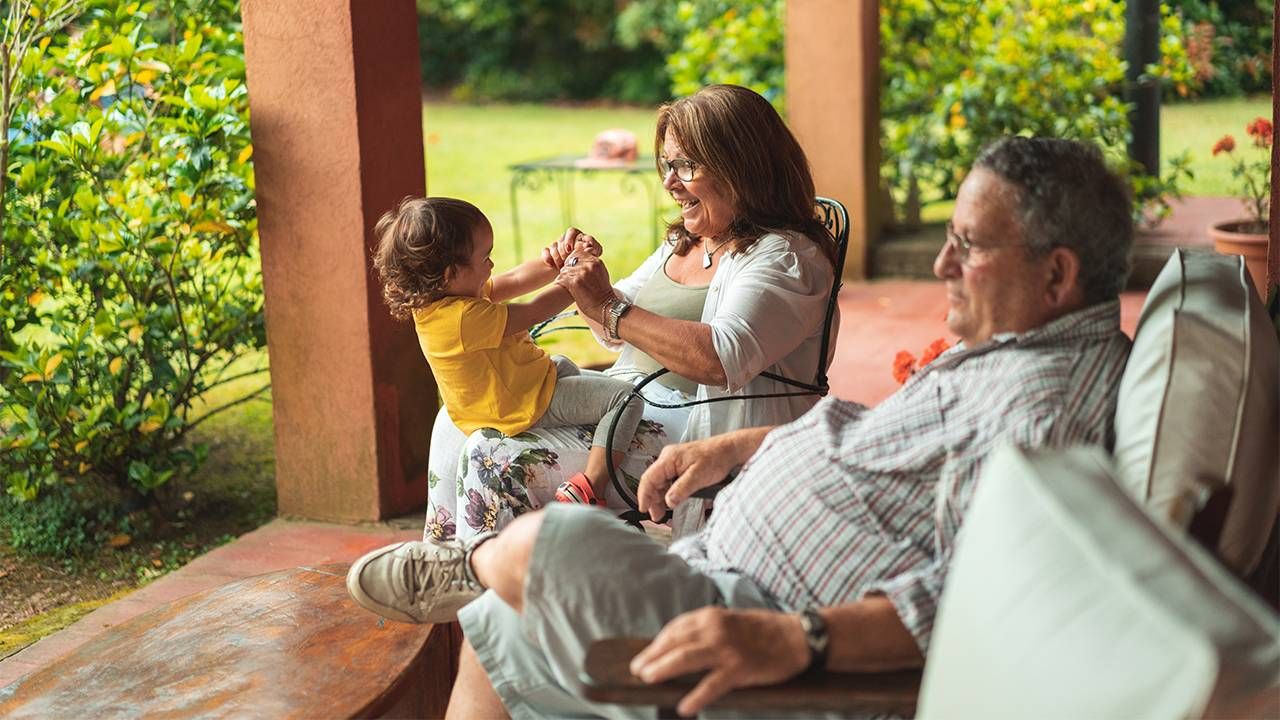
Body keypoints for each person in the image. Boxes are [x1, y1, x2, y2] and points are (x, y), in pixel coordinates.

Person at [348, 135, 1135, 718]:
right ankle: (481, 573)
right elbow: (873, 434)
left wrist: (801, 642)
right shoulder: (1006, 357)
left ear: (1056, 274)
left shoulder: (1041, 412)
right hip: (719, 548)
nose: (940, 266)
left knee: (550, 546)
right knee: (500, 620)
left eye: (965, 246)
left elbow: (973, 586)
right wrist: (741, 446)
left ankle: (479, 558)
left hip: (746, 616)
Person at [424, 84, 840, 538]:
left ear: (742, 167)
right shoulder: (687, 240)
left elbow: (720, 359)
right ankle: (448, 576)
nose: (668, 182)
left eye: (686, 164)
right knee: (458, 418)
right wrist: (577, 275)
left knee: (495, 456)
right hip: (630, 403)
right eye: (668, 164)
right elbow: (612, 329)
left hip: (697, 428)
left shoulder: (783, 257)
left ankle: (495, 591)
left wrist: (607, 304)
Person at [372, 196, 645, 508]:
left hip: (520, 388)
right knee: (625, 399)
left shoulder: (443, 302)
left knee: (564, 366)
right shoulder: (463, 319)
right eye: (484, 257)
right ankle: (589, 485)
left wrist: (558, 261)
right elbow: (535, 310)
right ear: (450, 273)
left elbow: (515, 279)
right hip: (522, 405)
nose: (491, 264)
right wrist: (575, 274)